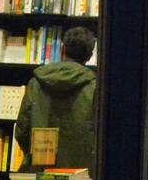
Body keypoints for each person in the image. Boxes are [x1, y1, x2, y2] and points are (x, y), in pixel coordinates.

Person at [15, 26, 96, 170]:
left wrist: (38, 154)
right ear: (89, 56)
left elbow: (22, 130)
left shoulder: (36, 83)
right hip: (82, 176)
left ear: (62, 49)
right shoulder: (96, 88)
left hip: (42, 170)